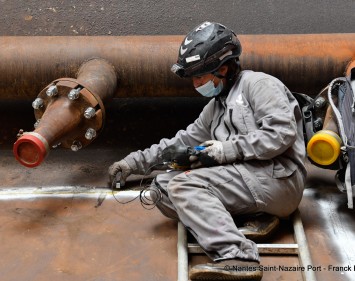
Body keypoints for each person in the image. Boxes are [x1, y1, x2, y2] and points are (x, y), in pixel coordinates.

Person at [108, 21, 306, 281]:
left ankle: (238, 257)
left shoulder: (259, 85)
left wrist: (225, 150)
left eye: (200, 76)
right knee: (162, 188)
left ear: (223, 68)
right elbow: (183, 141)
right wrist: (134, 163)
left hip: (280, 178)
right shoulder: (216, 107)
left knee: (184, 187)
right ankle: (259, 217)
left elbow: (280, 134)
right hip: (252, 179)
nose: (196, 84)